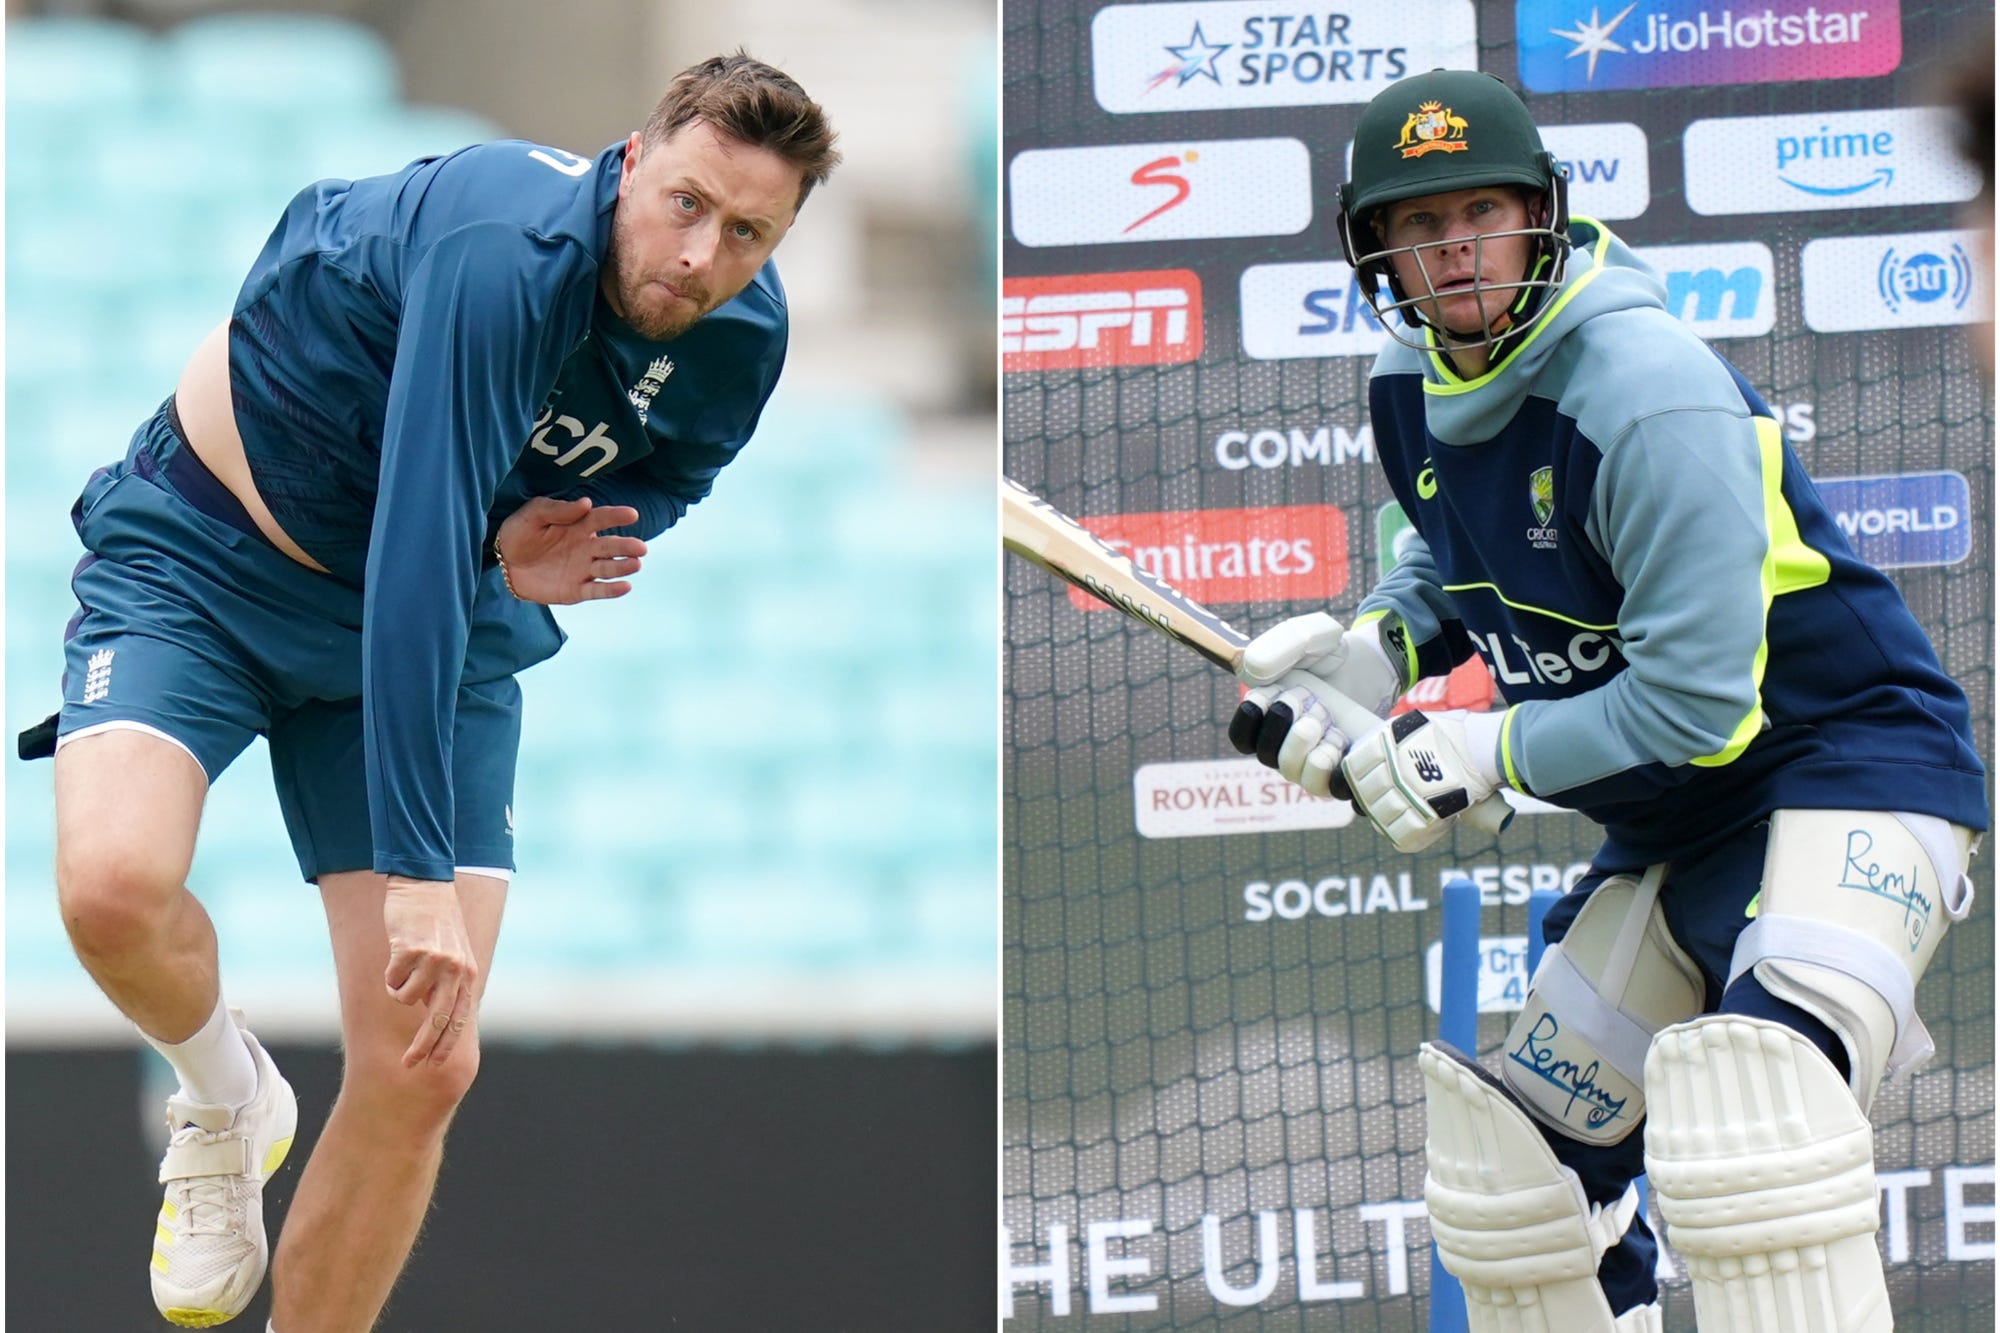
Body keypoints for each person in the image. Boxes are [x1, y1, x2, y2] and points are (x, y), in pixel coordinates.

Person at [27, 52, 836, 1333]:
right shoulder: (504, 249)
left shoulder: (743, 335)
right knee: (110, 888)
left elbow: (656, 484)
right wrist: (413, 869)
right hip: (211, 560)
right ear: (632, 160)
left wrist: (534, 540)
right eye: (686, 203)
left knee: (422, 1063)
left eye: (749, 232)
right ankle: (223, 1093)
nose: (702, 254)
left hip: (437, 618)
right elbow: (419, 532)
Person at [1228, 68, 1986, 1333]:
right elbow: (1445, 552)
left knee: (1758, 1122)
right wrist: (1380, 652)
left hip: (1845, 766)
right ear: (1375, 253)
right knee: (1513, 1190)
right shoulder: (1403, 377)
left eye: (1479, 212)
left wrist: (1483, 750)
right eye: (1416, 227)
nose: (1453, 251)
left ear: (1541, 215)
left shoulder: (1647, 392)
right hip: (1674, 830)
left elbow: (1698, 709)